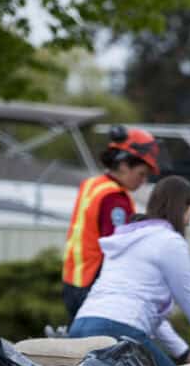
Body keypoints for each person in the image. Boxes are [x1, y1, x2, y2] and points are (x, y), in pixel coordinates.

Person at [69, 176, 190, 366]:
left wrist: (184, 354)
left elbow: (147, 312)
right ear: (183, 208)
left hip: (80, 325)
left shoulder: (125, 238)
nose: (189, 222)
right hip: (118, 331)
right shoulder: (170, 242)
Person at [61, 125, 158, 322]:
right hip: (93, 284)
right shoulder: (115, 198)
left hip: (73, 279)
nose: (144, 181)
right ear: (123, 166)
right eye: (141, 173)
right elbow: (118, 247)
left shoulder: (93, 184)